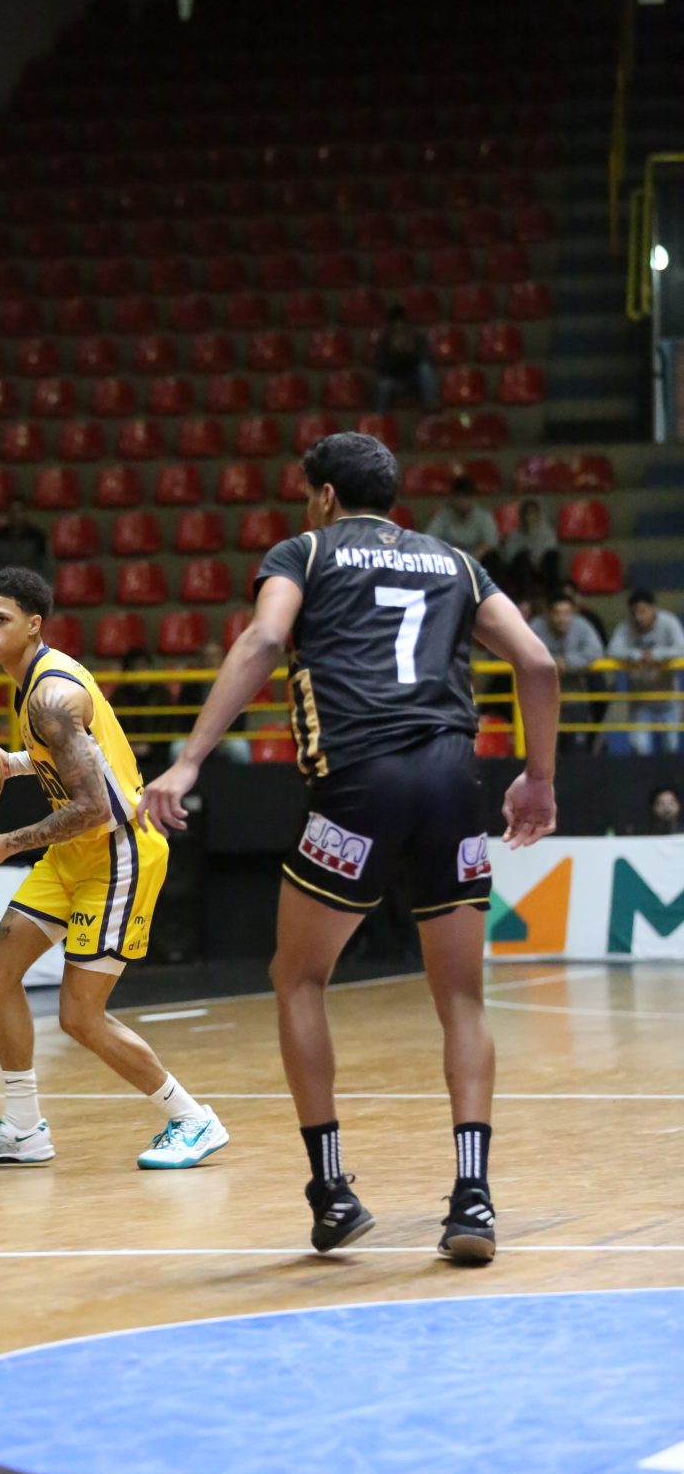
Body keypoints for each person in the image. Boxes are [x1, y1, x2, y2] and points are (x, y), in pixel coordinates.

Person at [139, 431, 559, 1263]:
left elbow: (264, 642)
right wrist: (539, 778)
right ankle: (473, 1198)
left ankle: (331, 1192)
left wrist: (188, 760)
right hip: (453, 783)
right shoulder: (456, 562)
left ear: (324, 496)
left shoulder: (303, 552)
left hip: (360, 785)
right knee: (462, 999)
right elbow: (538, 663)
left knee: (298, 977)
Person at [0, 566, 228, 1171]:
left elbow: (93, 804)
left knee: (79, 1016)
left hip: (118, 852)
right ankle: (23, 1129)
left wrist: (5, 844)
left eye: (1, 620)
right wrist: (9, 763)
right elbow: (70, 757)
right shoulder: (32, 685)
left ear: (33, 625)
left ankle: (192, 1119)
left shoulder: (51, 698)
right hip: (75, 851)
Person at [607, 589, 684, 756]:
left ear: (653, 608)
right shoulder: (625, 627)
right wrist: (637, 655)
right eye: (634, 612)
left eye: (643, 611)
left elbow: (681, 648)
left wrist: (657, 655)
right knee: (640, 750)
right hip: (640, 701)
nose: (638, 617)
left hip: (667, 699)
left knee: (671, 749)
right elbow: (613, 650)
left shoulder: (668, 622)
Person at [530, 592, 605, 753]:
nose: (561, 618)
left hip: (575, 699)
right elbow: (523, 652)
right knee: (546, 753)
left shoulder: (582, 626)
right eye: (557, 613)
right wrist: (550, 663)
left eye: (566, 613)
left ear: (573, 613)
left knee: (577, 752)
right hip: (544, 701)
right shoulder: (536, 626)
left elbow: (596, 652)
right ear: (548, 613)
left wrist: (568, 662)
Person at [170, 637, 252, 765]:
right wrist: (199, 738)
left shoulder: (235, 685)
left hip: (226, 737)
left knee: (240, 748)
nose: (210, 660)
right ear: (200, 661)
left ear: (223, 659)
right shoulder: (189, 687)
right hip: (195, 737)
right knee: (177, 749)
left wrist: (220, 737)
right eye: (206, 657)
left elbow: (240, 720)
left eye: (214, 656)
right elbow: (184, 721)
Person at [427, 474, 503, 579]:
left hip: (477, 559)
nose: (462, 502)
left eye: (466, 497)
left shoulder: (483, 516)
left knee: (493, 558)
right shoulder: (443, 517)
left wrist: (471, 559)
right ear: (452, 498)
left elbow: (491, 542)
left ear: (472, 498)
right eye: (459, 497)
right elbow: (429, 539)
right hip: (451, 560)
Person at [116, 645, 174, 780]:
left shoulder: (162, 694)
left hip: (158, 749)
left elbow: (167, 725)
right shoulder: (119, 696)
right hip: (126, 749)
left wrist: (150, 746)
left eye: (143, 666)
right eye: (135, 667)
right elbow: (114, 726)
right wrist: (129, 745)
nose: (139, 671)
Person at [372, 305, 439, 414]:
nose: (399, 327)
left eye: (402, 323)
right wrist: (395, 355)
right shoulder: (384, 342)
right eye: (396, 325)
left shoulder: (417, 338)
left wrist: (409, 352)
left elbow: (429, 360)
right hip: (394, 379)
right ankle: (378, 418)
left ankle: (430, 409)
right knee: (383, 385)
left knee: (425, 369)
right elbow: (381, 367)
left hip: (414, 378)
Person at [498, 497, 559, 603]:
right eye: (527, 513)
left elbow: (550, 549)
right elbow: (509, 558)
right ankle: (524, 600)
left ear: (538, 515)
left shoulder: (548, 534)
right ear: (522, 516)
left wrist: (537, 561)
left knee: (552, 557)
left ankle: (554, 599)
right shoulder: (514, 536)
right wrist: (529, 559)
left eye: (533, 513)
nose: (529, 517)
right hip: (522, 571)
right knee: (523, 557)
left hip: (542, 569)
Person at [0, 496, 48, 576]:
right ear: (7, 513)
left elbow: (45, 566)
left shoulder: (37, 536)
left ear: (26, 513)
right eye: (12, 511)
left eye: (20, 511)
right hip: (1, 580)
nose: (16, 515)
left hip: (29, 581)